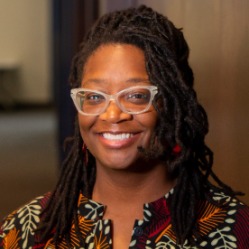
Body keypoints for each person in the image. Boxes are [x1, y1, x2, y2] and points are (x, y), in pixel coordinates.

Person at [1, 5, 248, 249]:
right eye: (95, 97)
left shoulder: (236, 232)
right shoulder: (26, 230)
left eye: (136, 96)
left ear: (174, 104)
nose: (112, 114)